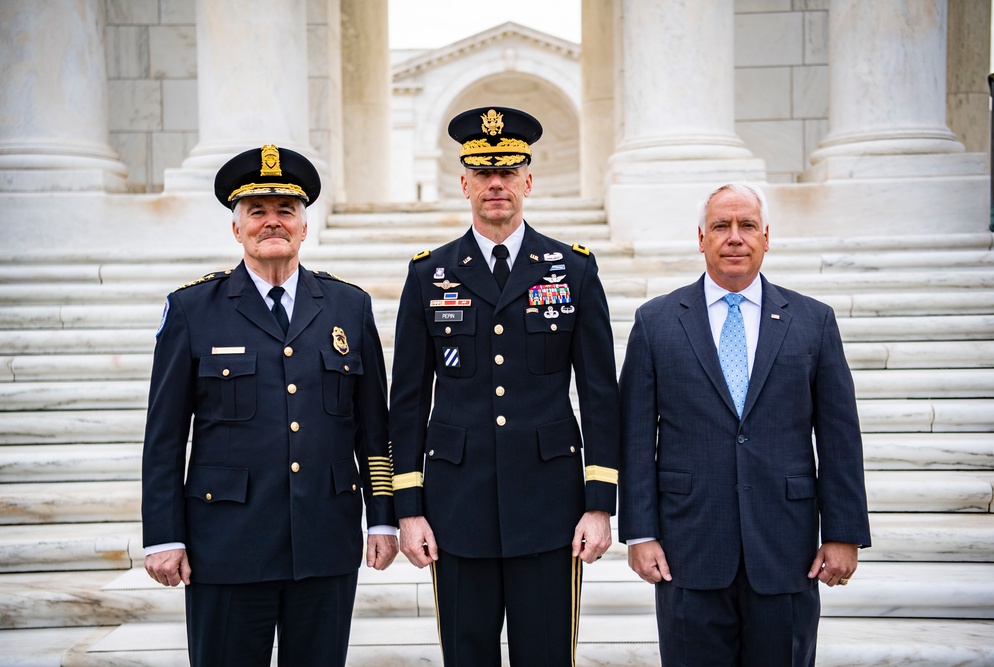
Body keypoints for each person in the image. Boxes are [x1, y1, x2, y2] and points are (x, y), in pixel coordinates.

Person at [141, 144, 398, 667]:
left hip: (324, 541)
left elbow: (374, 429)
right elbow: (165, 438)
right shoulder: (193, 309)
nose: (272, 222)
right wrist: (163, 535)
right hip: (227, 544)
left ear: (305, 226)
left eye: (286, 211)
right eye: (257, 212)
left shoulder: (349, 306)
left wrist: (383, 519)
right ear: (237, 229)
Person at [388, 106, 620, 666]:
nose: (497, 184)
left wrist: (600, 504)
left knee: (546, 655)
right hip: (455, 509)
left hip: (550, 508)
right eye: (484, 173)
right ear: (463, 182)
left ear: (528, 181)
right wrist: (409, 507)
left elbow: (599, 396)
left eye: (509, 172)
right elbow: (408, 401)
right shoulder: (428, 274)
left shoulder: (573, 270)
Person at [618, 183, 871, 667]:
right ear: (701, 238)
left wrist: (843, 531)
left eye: (747, 225)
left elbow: (840, 436)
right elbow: (634, 438)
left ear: (766, 237)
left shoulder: (813, 322)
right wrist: (640, 531)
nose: (734, 237)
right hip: (687, 552)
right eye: (721, 226)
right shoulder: (656, 322)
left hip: (786, 551)